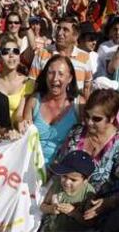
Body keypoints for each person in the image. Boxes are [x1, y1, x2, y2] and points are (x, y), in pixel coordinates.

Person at [57, 89, 119, 231]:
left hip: (96, 216)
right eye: (87, 116)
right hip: (63, 205)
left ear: (111, 118)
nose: (89, 122)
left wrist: (109, 202)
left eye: (96, 119)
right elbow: (59, 165)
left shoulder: (117, 145)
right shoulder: (77, 132)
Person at [23, 55, 82, 166]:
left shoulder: (79, 105)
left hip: (62, 173)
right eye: (51, 73)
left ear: (70, 78)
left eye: (60, 74)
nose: (55, 78)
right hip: (30, 168)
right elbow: (24, 137)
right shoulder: (34, 101)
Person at [29, 16, 92, 99]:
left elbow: (87, 89)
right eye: (58, 28)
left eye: (65, 30)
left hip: (74, 108)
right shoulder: (42, 53)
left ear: (75, 36)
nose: (59, 33)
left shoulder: (85, 58)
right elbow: (32, 85)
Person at [0, 34, 35, 126]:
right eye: (5, 52)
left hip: (15, 133)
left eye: (15, 51)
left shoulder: (28, 83)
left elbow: (19, 115)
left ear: (19, 57)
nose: (11, 55)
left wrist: (19, 124)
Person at [40, 150, 96, 232]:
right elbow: (43, 206)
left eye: (73, 180)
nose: (66, 182)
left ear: (85, 180)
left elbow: (90, 222)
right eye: (64, 176)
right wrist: (51, 208)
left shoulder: (88, 193)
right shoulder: (57, 184)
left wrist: (73, 212)